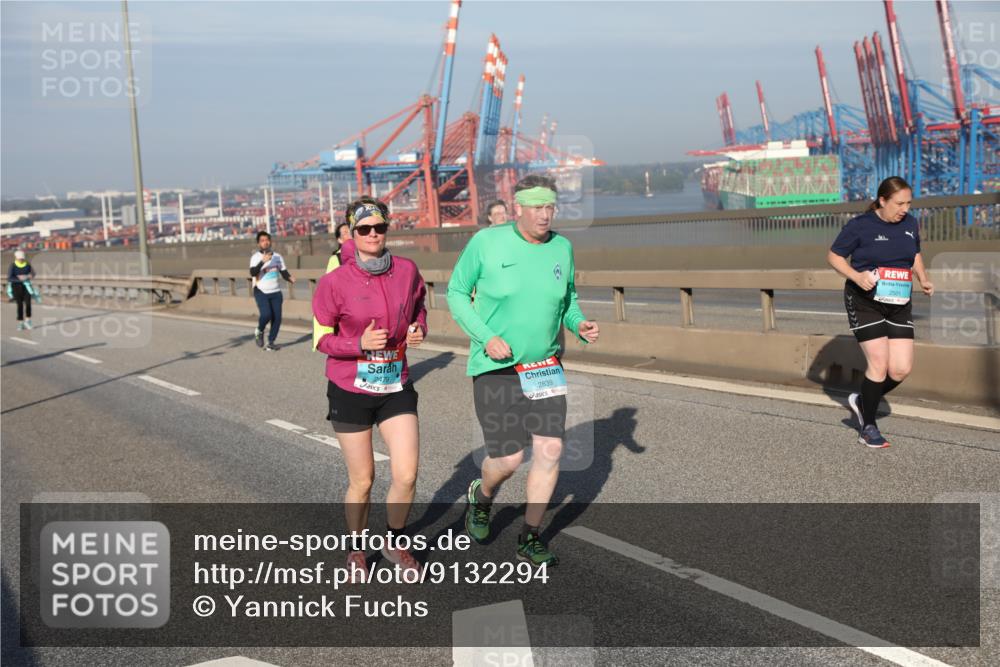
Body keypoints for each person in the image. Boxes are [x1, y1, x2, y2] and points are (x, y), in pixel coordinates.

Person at [447, 174, 600, 567]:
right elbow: (456, 293)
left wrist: (579, 324)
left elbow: (568, 299)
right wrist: (485, 337)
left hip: (545, 367)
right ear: (518, 207)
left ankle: (529, 536)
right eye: (537, 207)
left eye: (550, 207)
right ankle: (482, 497)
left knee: (551, 450)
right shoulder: (486, 242)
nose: (545, 215)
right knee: (510, 460)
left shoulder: (562, 248)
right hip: (496, 367)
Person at [312, 197, 428, 579]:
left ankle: (395, 541)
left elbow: (419, 306)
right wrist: (357, 344)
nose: (373, 234)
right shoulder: (334, 282)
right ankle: (356, 548)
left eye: (379, 227)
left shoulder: (407, 270)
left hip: (395, 383)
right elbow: (322, 340)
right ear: (352, 232)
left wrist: (418, 328)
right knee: (363, 480)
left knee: (407, 474)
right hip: (350, 387)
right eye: (364, 229)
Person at [828, 176, 934, 448]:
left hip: (899, 303)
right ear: (883, 200)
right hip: (865, 301)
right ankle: (869, 427)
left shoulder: (910, 223)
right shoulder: (860, 226)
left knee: (900, 370)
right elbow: (834, 256)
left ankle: (863, 400)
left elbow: (915, 254)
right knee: (879, 363)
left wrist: (922, 278)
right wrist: (856, 275)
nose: (905, 209)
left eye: (909, 203)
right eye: (899, 203)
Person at [249, 231, 295, 351]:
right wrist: (262, 262)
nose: (265, 242)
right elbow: (253, 273)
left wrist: (289, 278)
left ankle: (271, 342)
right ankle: (259, 330)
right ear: (259, 243)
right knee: (266, 314)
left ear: (270, 241)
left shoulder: (278, 257)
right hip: (261, 291)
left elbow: (283, 271)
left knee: (277, 318)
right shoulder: (255, 258)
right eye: (262, 240)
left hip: (276, 292)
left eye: (267, 240)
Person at [7, 249, 36, 330]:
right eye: (19, 258)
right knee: (19, 305)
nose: (21, 260)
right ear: (16, 258)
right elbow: (9, 278)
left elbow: (33, 273)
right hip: (16, 287)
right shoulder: (13, 265)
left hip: (27, 286)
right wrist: (19, 279)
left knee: (28, 304)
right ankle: (20, 323)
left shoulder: (27, 264)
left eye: (22, 258)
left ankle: (28, 321)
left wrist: (29, 276)